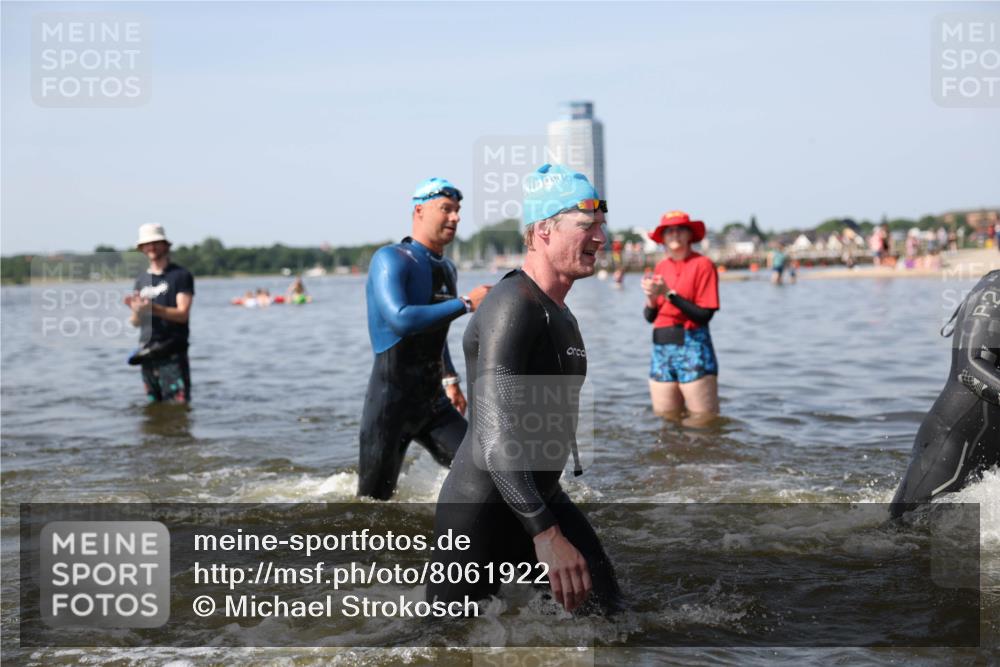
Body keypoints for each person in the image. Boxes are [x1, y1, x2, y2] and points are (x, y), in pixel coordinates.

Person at [427, 163, 621, 615]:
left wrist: (545, 520)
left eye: (602, 226)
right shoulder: (512, 305)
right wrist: (546, 534)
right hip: (483, 511)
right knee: (442, 644)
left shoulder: (557, 309)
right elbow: (494, 437)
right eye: (586, 226)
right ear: (543, 232)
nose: (600, 238)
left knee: (610, 619)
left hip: (537, 494)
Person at [358, 178, 490, 500]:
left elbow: (436, 329)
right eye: (446, 209)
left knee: (490, 476)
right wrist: (467, 303)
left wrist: (450, 378)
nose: (455, 217)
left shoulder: (447, 268)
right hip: (390, 406)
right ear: (419, 211)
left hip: (433, 405)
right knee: (372, 507)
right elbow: (401, 319)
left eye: (457, 210)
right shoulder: (391, 259)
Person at [890, 270, 1000, 518]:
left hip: (992, 454)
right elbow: (969, 370)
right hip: (952, 443)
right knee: (901, 544)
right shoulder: (994, 290)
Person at [642, 211, 720, 421]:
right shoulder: (661, 266)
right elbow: (650, 316)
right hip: (661, 348)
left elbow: (704, 315)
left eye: (679, 230)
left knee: (702, 420)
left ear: (689, 235)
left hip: (693, 345)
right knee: (665, 418)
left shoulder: (703, 264)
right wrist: (651, 297)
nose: (674, 234)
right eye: (669, 231)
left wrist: (669, 293)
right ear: (663, 237)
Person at [124, 223, 195, 404]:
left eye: (155, 242)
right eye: (147, 244)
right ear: (141, 248)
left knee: (178, 408)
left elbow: (182, 314)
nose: (151, 247)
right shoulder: (141, 280)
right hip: (147, 352)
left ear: (165, 245)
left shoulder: (180, 275)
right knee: (152, 405)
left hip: (173, 351)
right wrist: (137, 311)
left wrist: (153, 308)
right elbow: (136, 323)